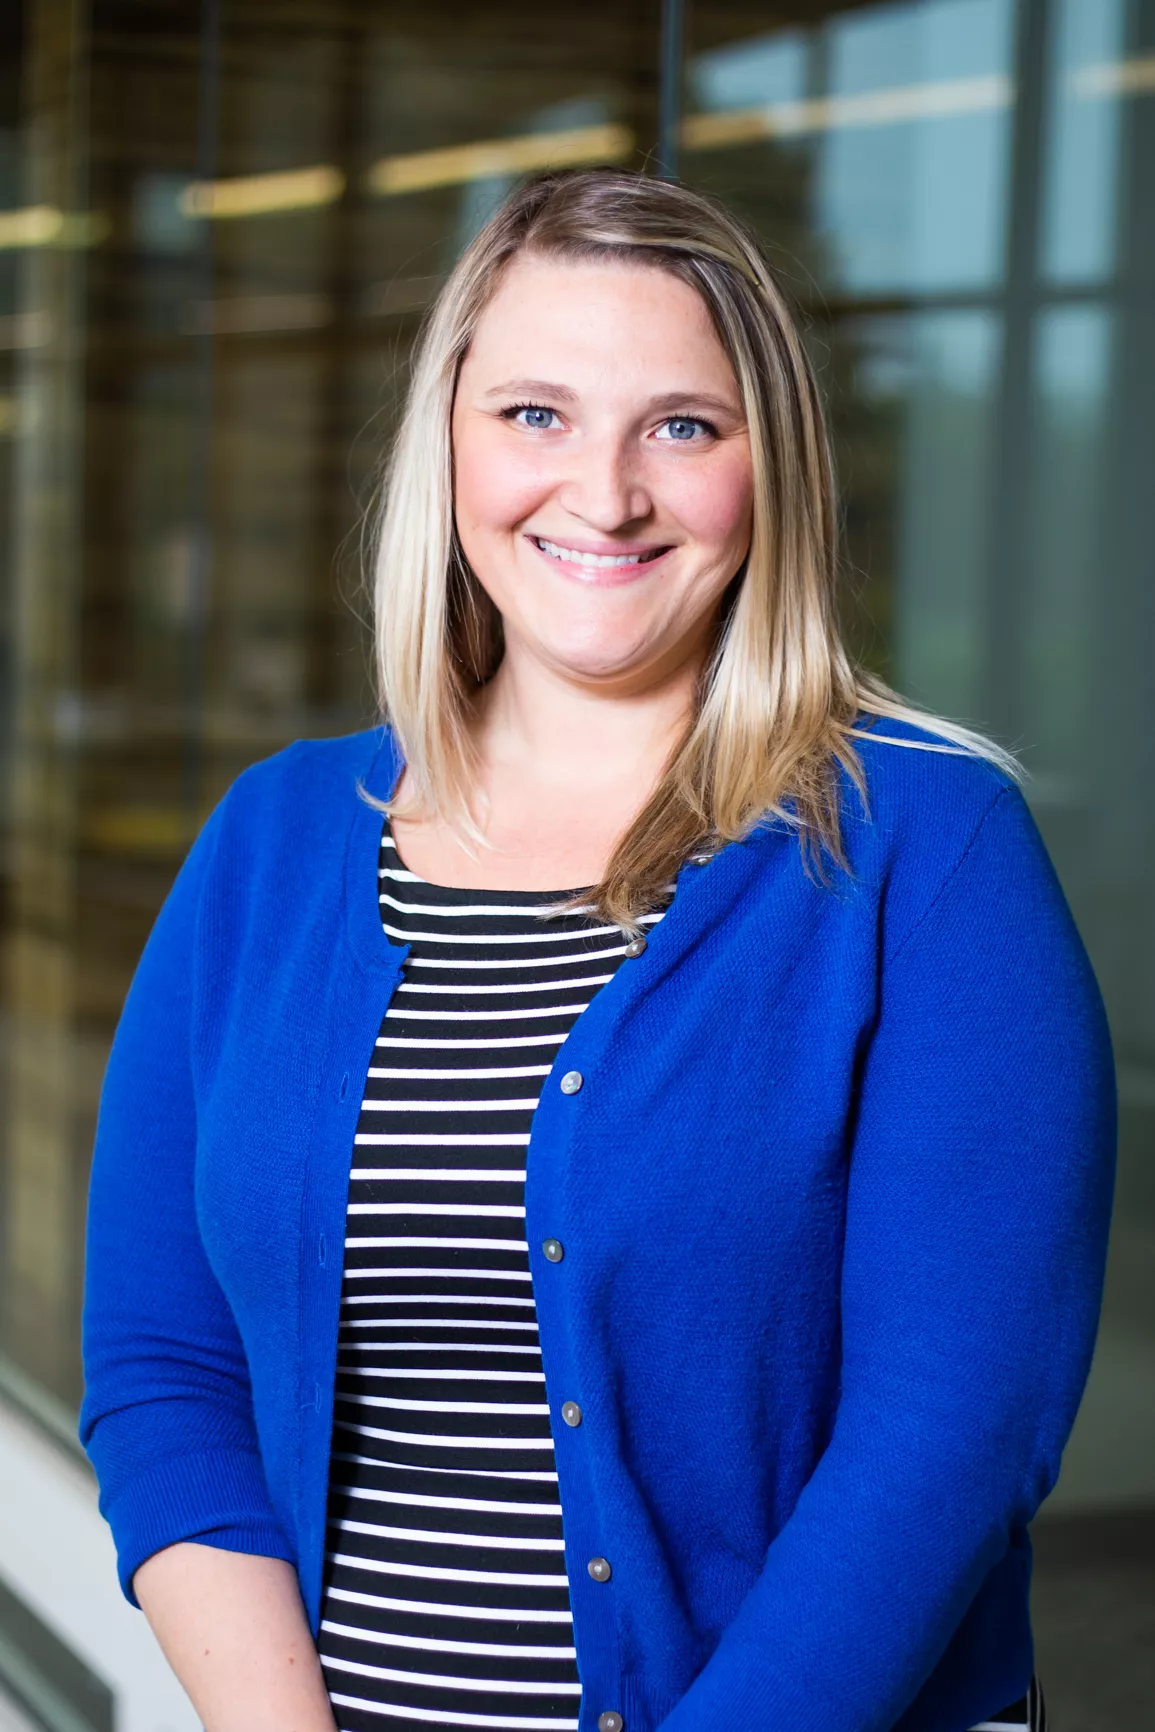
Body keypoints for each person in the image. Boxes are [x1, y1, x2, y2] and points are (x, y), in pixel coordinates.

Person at [79, 167, 1115, 1732]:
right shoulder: (270, 842)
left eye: (682, 427)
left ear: (772, 471)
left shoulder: (924, 845)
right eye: (535, 415)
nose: (606, 492)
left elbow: (953, 1427)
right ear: (449, 443)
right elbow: (165, 1366)